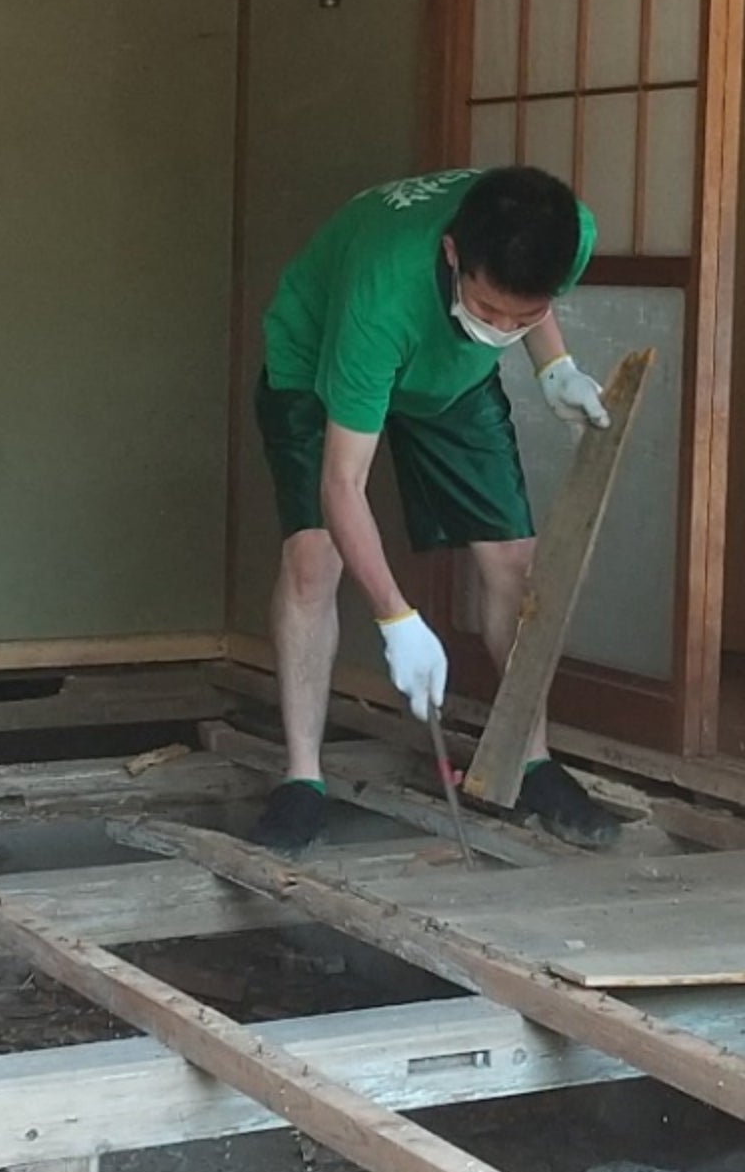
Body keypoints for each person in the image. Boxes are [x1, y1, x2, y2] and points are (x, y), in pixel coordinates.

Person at [250, 165, 621, 856]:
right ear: (452, 253)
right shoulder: (379, 298)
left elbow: (522, 305)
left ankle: (532, 761)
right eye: (488, 310)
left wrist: (553, 367)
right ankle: (302, 779)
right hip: (315, 360)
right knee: (313, 559)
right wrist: (396, 620)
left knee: (515, 561)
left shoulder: (567, 231)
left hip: (451, 375)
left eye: (522, 318)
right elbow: (342, 485)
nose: (503, 328)